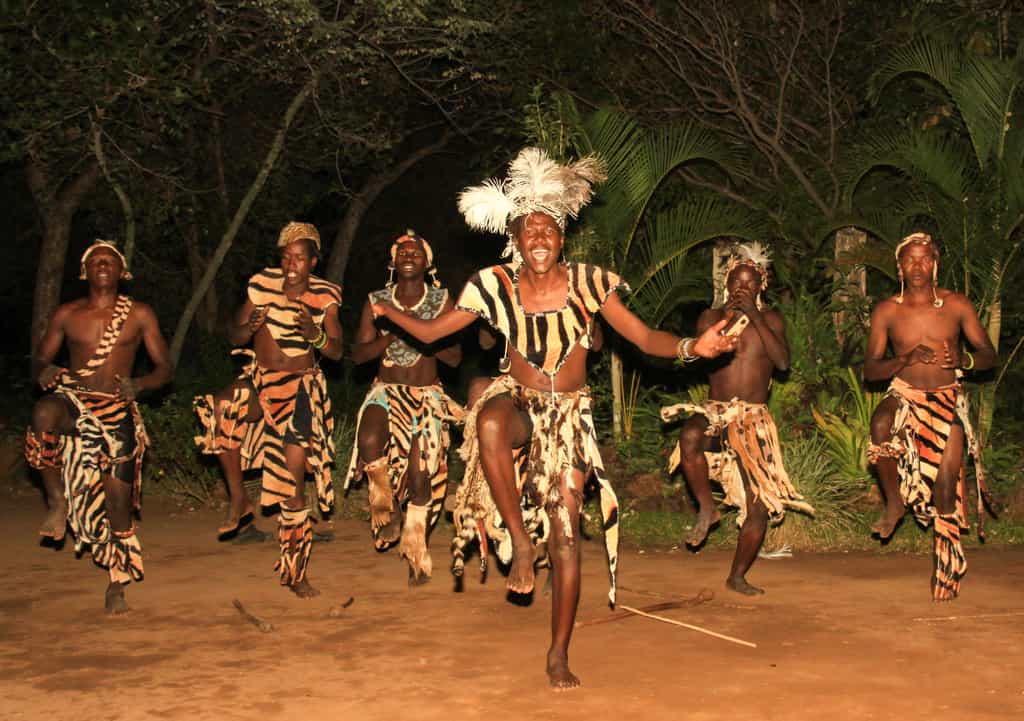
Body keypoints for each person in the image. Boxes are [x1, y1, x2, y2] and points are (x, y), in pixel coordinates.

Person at [371, 148, 736, 689]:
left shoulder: (590, 284)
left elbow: (643, 338)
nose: (538, 236)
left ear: (561, 238)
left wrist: (692, 346)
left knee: (566, 532)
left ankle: (558, 651)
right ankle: (519, 540)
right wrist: (387, 311)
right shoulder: (491, 285)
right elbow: (429, 333)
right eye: (528, 229)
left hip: (568, 419)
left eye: (548, 228)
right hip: (516, 401)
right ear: (514, 241)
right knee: (488, 421)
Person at [193, 222, 342, 598]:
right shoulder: (261, 284)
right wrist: (249, 326)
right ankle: (238, 498)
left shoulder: (325, 296)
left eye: (300, 257)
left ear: (313, 261)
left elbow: (338, 351)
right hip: (261, 382)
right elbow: (235, 335)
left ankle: (296, 571)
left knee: (290, 483)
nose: (292, 264)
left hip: (301, 390)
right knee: (223, 406)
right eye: (286, 256)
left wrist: (316, 335)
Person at [25, 240, 173, 613]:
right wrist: (45, 371)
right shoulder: (67, 315)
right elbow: (38, 360)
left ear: (122, 272)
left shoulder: (139, 315)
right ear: (85, 272)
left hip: (116, 411)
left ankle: (117, 581)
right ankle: (57, 502)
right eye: (95, 261)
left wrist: (139, 385)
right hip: (74, 404)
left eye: (110, 261)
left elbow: (165, 369)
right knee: (44, 413)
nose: (102, 265)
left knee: (118, 505)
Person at [661, 242, 813, 596]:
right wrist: (729, 321)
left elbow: (783, 363)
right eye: (737, 283)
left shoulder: (771, 319)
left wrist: (755, 318)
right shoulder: (710, 319)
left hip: (753, 418)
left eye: (750, 283)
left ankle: (737, 575)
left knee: (759, 506)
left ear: (761, 287)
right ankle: (707, 509)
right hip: (716, 410)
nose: (742, 289)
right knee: (690, 436)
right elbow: (699, 358)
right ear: (727, 284)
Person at [864, 231, 996, 600]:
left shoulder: (956, 305)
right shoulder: (887, 310)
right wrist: (903, 359)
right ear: (899, 265)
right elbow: (871, 371)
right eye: (910, 259)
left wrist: (964, 361)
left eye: (924, 259)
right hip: (904, 393)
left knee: (945, 484)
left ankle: (945, 567)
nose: (917, 266)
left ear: (935, 264)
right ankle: (894, 502)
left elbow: (988, 354)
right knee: (880, 423)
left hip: (945, 399)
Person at [345, 230, 463, 584]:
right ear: (392, 262)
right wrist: (392, 334)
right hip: (386, 389)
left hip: (427, 395)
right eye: (402, 252)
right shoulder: (377, 301)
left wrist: (422, 333)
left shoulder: (442, 300)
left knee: (420, 474)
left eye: (416, 252)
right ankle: (384, 502)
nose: (409, 255)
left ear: (428, 264)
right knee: (368, 441)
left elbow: (455, 358)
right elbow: (358, 354)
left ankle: (416, 547)